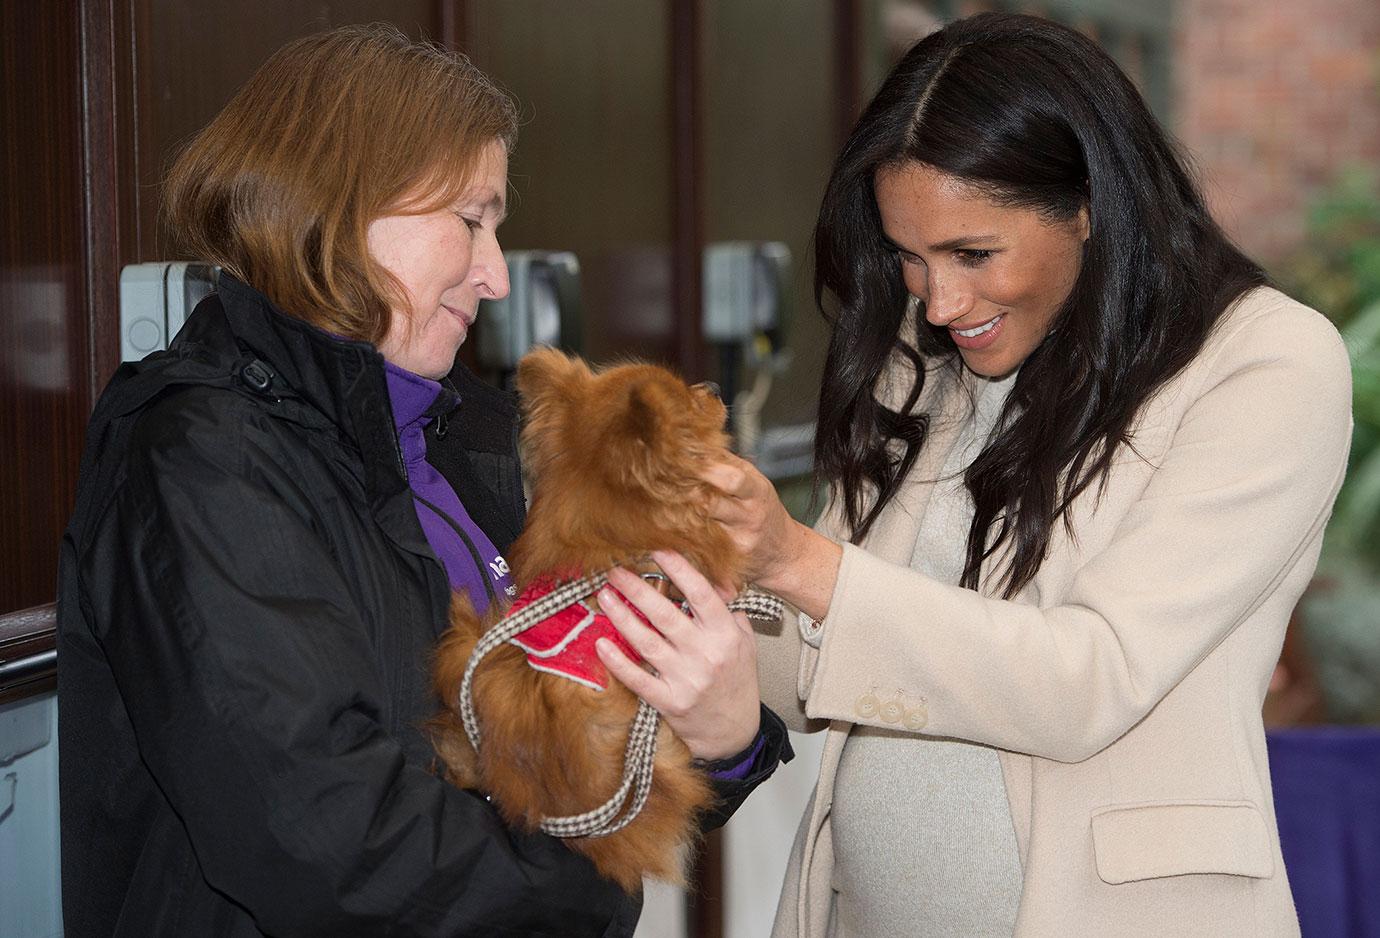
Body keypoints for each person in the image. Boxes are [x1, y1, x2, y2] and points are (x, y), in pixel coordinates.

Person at [56, 24, 787, 938]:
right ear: (343, 200)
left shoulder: (457, 437)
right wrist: (597, 885)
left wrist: (724, 743)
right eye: (471, 220)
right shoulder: (197, 456)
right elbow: (327, 842)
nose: (492, 276)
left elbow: (568, 761)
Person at [703, 13, 1352, 938]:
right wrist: (700, 595)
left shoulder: (1267, 363)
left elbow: (1090, 677)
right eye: (910, 257)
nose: (940, 302)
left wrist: (800, 563)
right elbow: (813, 661)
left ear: (1089, 203)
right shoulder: (923, 353)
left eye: (974, 253)